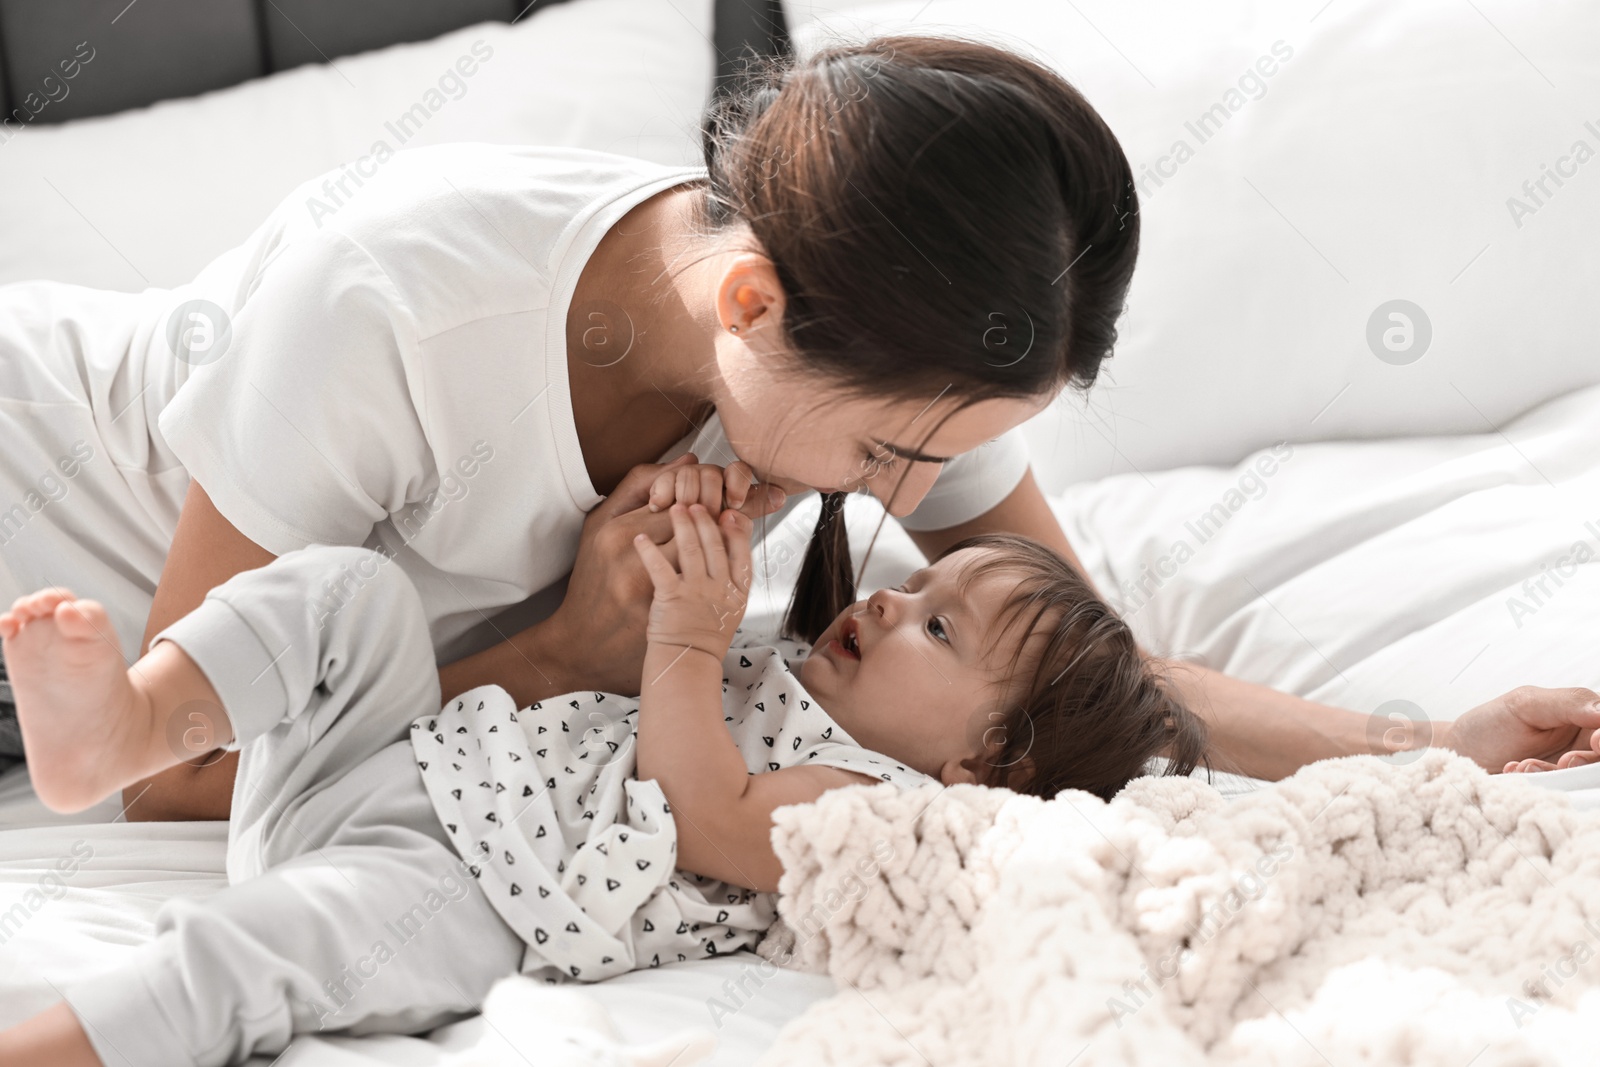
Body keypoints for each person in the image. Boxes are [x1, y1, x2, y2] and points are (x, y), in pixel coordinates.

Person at [0, 35, 1592, 821]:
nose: (914, 498)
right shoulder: (390, 315)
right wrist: (556, 655)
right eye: (894, 459)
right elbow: (149, 775)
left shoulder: (897, 342)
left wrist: (1417, 748)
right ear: (751, 302)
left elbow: (1073, 664)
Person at [0, 478, 1203, 1065]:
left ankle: (51, 1045)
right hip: (394, 764)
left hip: (466, 888)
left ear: (983, 759)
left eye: (936, 631)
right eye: (920, 585)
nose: (890, 598)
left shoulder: (868, 806)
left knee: (270, 947)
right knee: (347, 591)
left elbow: (703, 814)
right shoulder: (797, 673)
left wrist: (685, 637)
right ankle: (129, 726)